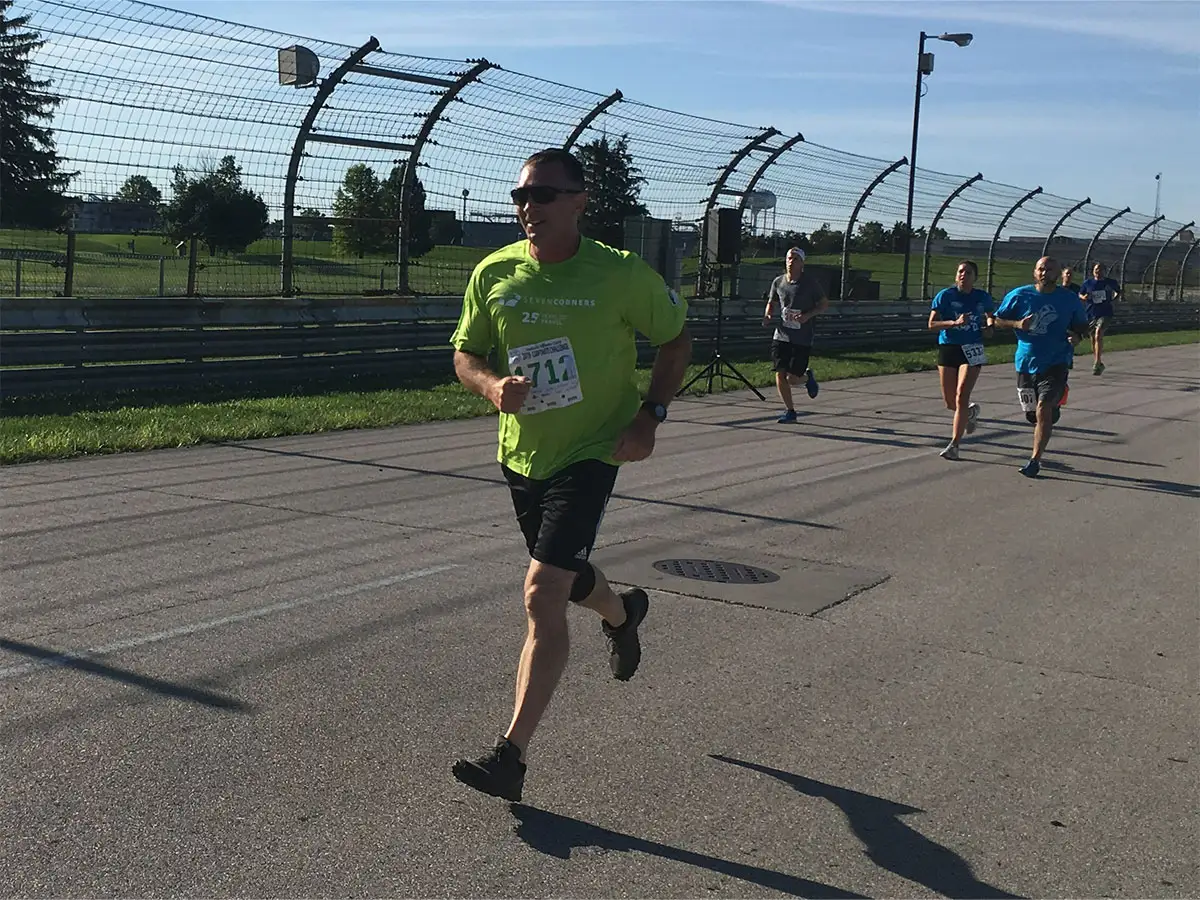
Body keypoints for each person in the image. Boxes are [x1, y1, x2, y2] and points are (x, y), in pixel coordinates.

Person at [448, 148, 692, 801]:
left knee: (542, 591)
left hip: (594, 449)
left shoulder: (619, 274)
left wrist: (651, 416)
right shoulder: (495, 272)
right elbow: (464, 354)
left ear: (580, 202)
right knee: (566, 574)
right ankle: (622, 613)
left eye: (545, 196)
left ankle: (510, 758)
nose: (530, 208)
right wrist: (492, 384)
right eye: (521, 197)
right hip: (523, 452)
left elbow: (676, 338)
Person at [991, 256, 1088, 477]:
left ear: (1058, 273)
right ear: (1035, 273)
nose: (1045, 273)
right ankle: (1053, 408)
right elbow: (996, 320)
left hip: (1057, 361)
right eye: (1041, 269)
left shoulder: (1069, 299)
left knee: (1043, 408)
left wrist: (1077, 336)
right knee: (1033, 416)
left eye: (1050, 269)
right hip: (1025, 362)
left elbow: (1082, 326)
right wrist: (1017, 324)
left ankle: (1035, 460)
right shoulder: (1019, 295)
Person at [927, 259, 994, 460]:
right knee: (950, 402)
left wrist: (990, 326)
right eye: (960, 271)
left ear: (975, 277)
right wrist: (954, 323)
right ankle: (969, 414)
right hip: (949, 347)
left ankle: (955, 444)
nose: (963, 275)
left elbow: (991, 316)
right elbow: (931, 324)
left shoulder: (982, 297)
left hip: (972, 348)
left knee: (961, 395)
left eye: (968, 272)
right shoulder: (945, 296)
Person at [762, 247, 828, 423]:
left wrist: (807, 315)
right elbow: (772, 302)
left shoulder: (810, 283)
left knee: (792, 378)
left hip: (802, 337)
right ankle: (790, 411)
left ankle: (807, 378)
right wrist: (768, 314)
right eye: (789, 258)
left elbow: (823, 304)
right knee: (780, 373)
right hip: (781, 334)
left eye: (796, 259)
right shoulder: (778, 282)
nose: (791, 261)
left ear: (802, 263)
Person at [1078, 262, 1122, 375]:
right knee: (1093, 338)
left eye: (1100, 270)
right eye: (1096, 269)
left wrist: (1113, 300)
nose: (1098, 271)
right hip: (1091, 312)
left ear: (1104, 271)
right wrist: (1084, 297)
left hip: (1105, 312)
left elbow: (1119, 291)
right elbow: (1080, 294)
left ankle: (1097, 362)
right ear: (1093, 271)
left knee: (1098, 334)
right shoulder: (1088, 283)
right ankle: (1098, 360)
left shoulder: (1109, 282)